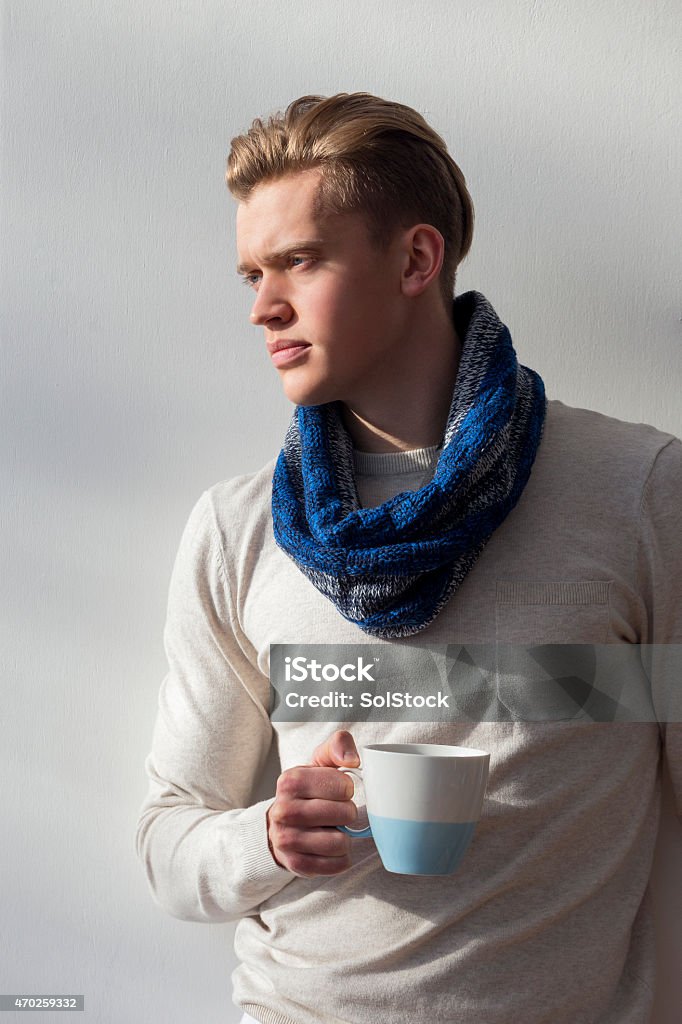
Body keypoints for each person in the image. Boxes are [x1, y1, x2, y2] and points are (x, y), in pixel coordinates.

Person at [136, 93, 682, 1024]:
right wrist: (267, 836)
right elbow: (169, 843)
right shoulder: (239, 530)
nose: (264, 306)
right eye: (252, 274)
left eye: (299, 261)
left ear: (416, 259)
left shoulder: (640, 492)